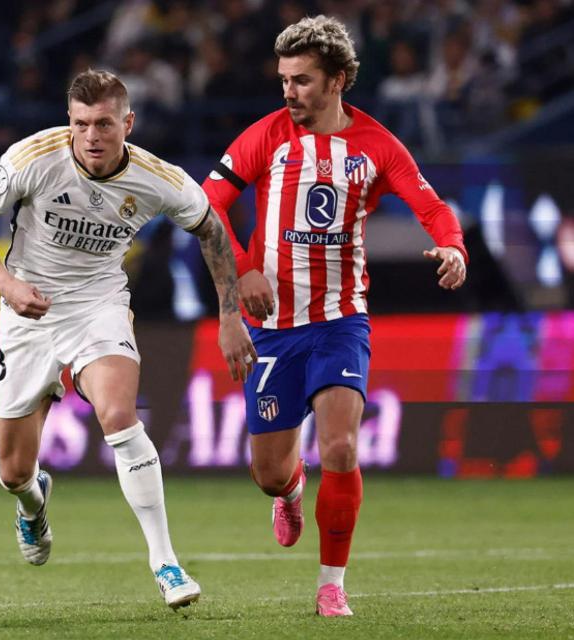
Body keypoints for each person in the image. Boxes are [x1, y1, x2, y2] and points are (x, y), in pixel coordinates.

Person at [0, 69, 256, 610]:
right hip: (26, 312)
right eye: (81, 123)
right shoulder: (34, 157)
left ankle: (165, 562)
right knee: (13, 471)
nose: (91, 135)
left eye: (104, 124)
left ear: (127, 123)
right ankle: (32, 504)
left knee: (119, 416)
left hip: (98, 305)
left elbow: (211, 228)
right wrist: (6, 282)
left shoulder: (157, 178)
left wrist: (229, 316)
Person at [202, 16, 468, 617]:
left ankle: (332, 584)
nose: (289, 92)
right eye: (284, 80)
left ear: (338, 80)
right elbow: (208, 201)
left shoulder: (376, 145)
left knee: (342, 448)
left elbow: (430, 205)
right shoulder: (266, 136)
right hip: (274, 326)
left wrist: (453, 246)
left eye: (302, 80)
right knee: (269, 472)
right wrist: (244, 268)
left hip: (340, 319)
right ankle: (290, 493)